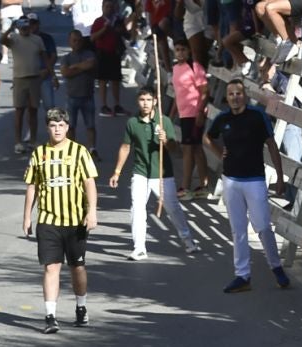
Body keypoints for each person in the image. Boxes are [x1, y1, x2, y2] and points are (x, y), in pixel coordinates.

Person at [22, 107, 98, 331]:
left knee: (77, 267)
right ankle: (50, 316)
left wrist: (91, 211)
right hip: (48, 220)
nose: (57, 130)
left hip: (75, 221)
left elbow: (89, 183)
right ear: (47, 128)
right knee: (51, 267)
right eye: (53, 126)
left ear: (68, 127)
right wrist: (27, 216)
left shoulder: (79, 151)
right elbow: (32, 186)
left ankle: (81, 307)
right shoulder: (39, 153)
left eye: (61, 126)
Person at [207, 79, 286, 293]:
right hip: (231, 180)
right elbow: (209, 137)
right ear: (227, 97)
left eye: (238, 93)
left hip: (255, 180)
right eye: (231, 94)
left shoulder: (257, 116)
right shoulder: (222, 118)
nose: (235, 97)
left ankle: (276, 267)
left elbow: (271, 145)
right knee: (238, 230)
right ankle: (242, 276)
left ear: (245, 95)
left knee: (263, 227)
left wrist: (279, 177)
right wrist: (218, 153)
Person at [107, 87, 193, 259]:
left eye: (148, 100)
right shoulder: (132, 123)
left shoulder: (164, 121)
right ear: (138, 102)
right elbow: (125, 147)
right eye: (142, 100)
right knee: (137, 209)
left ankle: (188, 239)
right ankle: (139, 247)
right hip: (140, 173)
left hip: (162, 173)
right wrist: (117, 172)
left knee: (173, 208)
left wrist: (166, 140)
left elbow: (176, 150)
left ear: (155, 101)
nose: (145, 103)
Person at [168, 37, 208, 194]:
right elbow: (178, 95)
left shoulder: (195, 67)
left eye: (183, 49)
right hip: (183, 114)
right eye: (177, 49)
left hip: (194, 113)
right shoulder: (175, 69)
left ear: (189, 51)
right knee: (196, 148)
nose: (180, 52)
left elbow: (205, 91)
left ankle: (185, 186)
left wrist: (200, 112)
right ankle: (203, 186)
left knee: (188, 149)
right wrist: (170, 116)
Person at [4, 12, 49, 151]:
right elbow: (2, 40)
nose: (25, 27)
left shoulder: (37, 39)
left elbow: (45, 57)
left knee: (33, 110)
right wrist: (11, 28)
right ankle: (18, 142)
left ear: (30, 26)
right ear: (19, 26)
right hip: (19, 79)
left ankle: (33, 140)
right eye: (22, 25)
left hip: (35, 78)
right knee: (19, 111)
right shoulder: (14, 38)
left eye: (27, 24)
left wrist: (52, 75)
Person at [59, 27, 96, 144]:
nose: (77, 43)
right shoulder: (66, 58)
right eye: (74, 40)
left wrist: (74, 67)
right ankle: (72, 151)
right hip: (72, 97)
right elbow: (65, 73)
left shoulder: (89, 54)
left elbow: (90, 65)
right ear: (69, 42)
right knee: (70, 127)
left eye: (79, 40)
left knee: (90, 125)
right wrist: (82, 67)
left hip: (88, 96)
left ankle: (92, 149)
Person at [86, 0, 121, 116]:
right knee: (103, 80)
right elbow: (92, 38)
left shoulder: (117, 21)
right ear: (102, 7)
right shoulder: (99, 21)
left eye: (111, 7)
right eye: (107, 7)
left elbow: (124, 33)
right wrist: (104, 29)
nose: (109, 9)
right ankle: (104, 105)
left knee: (116, 80)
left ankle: (117, 105)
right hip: (103, 54)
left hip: (115, 53)